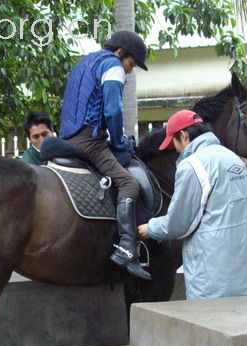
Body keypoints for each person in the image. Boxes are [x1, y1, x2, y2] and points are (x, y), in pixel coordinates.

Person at [138, 110, 247, 300]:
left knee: (212, 326)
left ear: (183, 136)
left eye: (174, 143)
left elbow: (179, 223)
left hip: (213, 278)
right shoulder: (234, 160)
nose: (176, 150)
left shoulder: (192, 166)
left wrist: (151, 228)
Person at [59, 30, 151, 281]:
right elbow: (112, 111)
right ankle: (126, 249)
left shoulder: (86, 62)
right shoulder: (113, 65)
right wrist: (120, 142)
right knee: (128, 183)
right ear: (121, 53)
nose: (130, 71)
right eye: (131, 64)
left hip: (67, 136)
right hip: (89, 141)